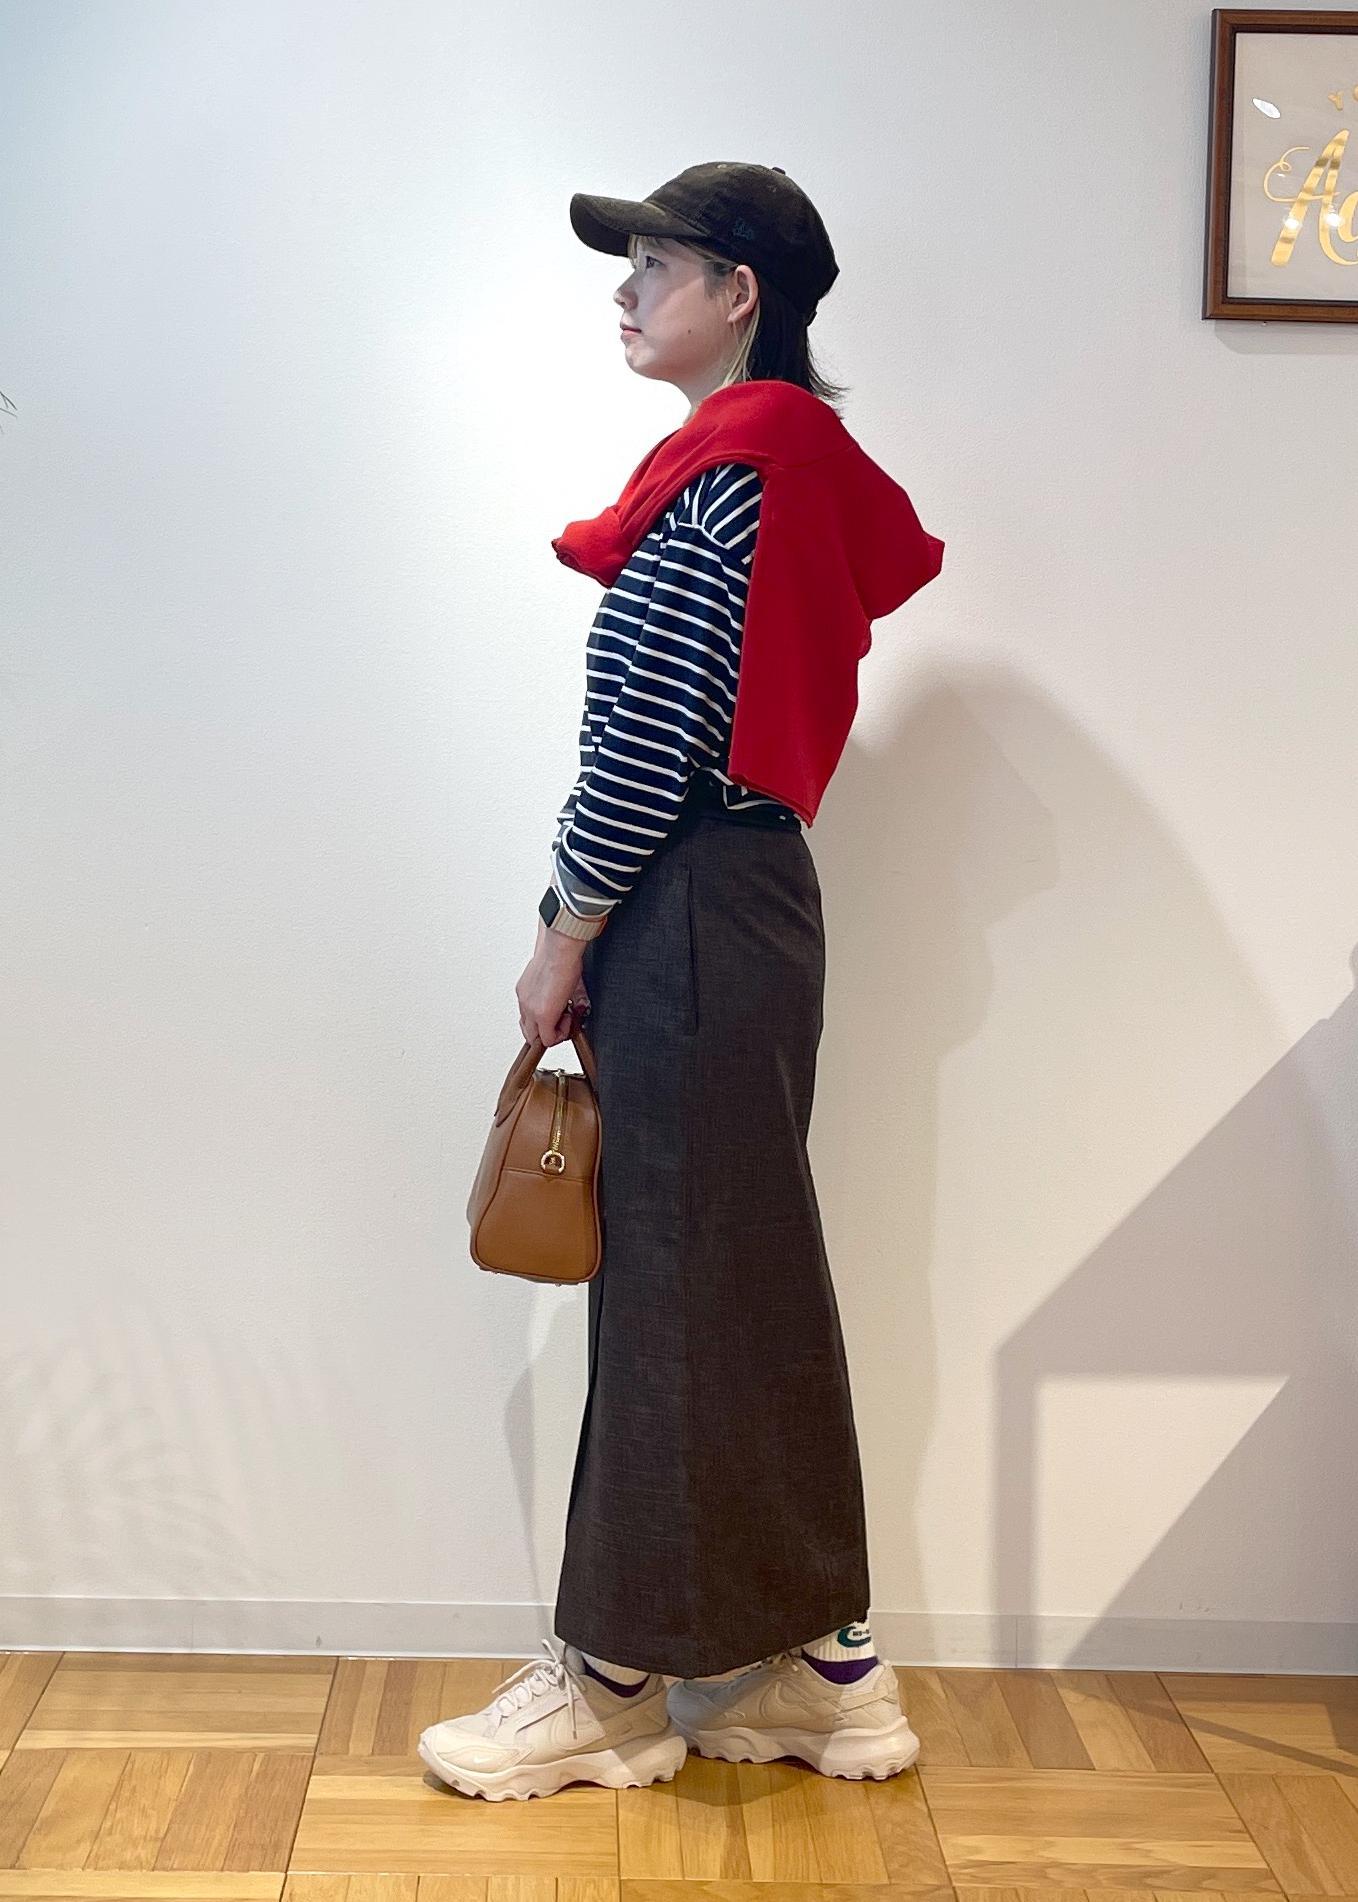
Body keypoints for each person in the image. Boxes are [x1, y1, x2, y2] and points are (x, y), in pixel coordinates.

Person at [419, 162, 941, 1804]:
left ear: (740, 294)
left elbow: (649, 737)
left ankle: (616, 1684)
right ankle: (818, 1670)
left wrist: (563, 926)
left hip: (691, 897)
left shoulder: (731, 468)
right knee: (740, 1275)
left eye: (656, 263)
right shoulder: (788, 466)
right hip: (745, 896)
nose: (626, 291)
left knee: (668, 1279)